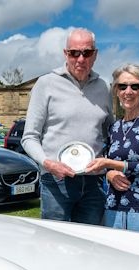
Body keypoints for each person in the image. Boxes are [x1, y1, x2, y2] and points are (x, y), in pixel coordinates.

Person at [21, 28, 113, 224]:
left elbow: (110, 134)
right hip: (56, 181)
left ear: (95, 55)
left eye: (87, 53)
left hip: (93, 182)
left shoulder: (104, 88)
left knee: (90, 244)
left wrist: (109, 164)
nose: (80, 59)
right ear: (66, 53)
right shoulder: (46, 84)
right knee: (54, 244)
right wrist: (48, 163)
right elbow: (29, 137)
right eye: (74, 53)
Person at [84, 63, 139, 234]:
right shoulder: (114, 127)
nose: (128, 92)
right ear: (116, 90)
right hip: (114, 207)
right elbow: (107, 164)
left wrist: (111, 164)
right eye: (122, 86)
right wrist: (109, 173)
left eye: (135, 86)